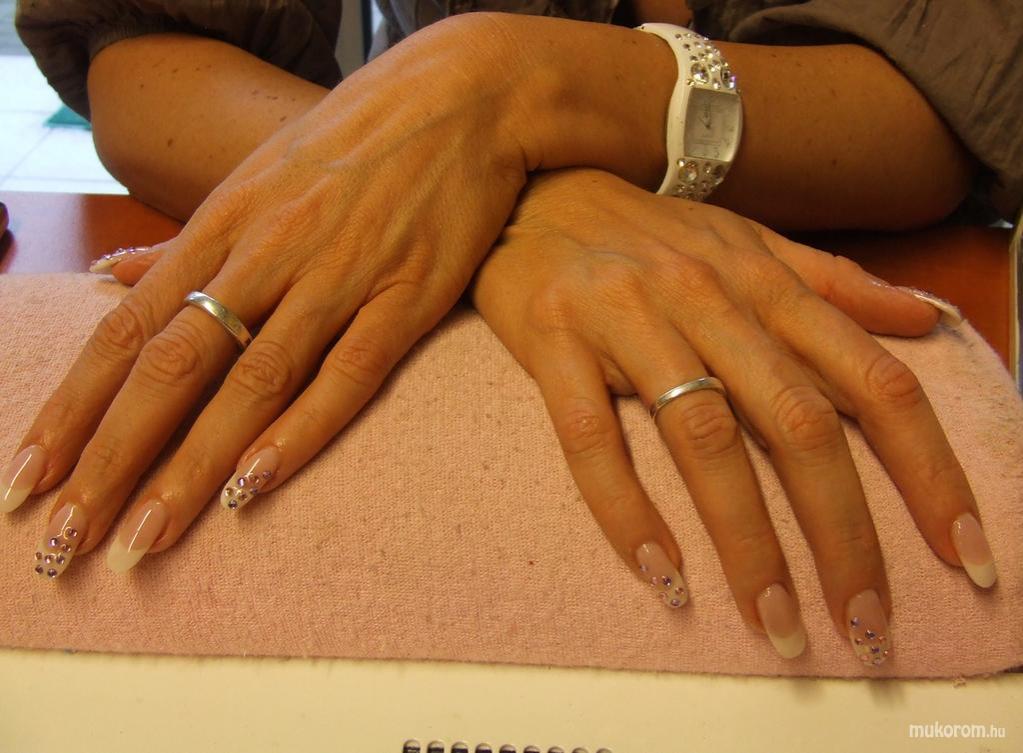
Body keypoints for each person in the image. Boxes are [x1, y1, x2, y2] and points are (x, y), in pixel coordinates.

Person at [4, 0, 1019, 665]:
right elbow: (141, 59)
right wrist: (471, 172)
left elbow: (951, 108)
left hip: (853, 263)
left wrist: (511, 81)